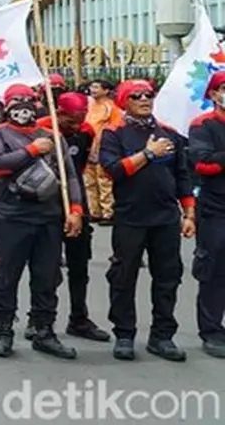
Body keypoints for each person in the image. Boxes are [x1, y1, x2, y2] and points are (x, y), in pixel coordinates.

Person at [0, 84, 84, 360]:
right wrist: (32, 151)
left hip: (49, 217)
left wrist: (75, 210)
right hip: (12, 217)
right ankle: (4, 331)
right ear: (6, 105)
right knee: (5, 276)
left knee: (47, 277)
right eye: (16, 101)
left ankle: (44, 331)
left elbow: (70, 175)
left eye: (28, 101)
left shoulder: (52, 136)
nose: (23, 106)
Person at [99, 79, 194, 361]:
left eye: (148, 95)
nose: (144, 100)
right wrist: (148, 154)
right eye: (137, 95)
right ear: (125, 101)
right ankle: (124, 334)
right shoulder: (114, 133)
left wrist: (189, 213)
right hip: (130, 217)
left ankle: (162, 336)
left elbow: (182, 176)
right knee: (123, 276)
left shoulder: (170, 133)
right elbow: (112, 170)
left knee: (168, 277)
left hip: (165, 218)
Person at [38, 92, 110, 342]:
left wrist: (77, 206)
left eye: (82, 116)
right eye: (73, 117)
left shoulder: (86, 132)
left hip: (76, 202)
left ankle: (79, 317)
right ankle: (39, 318)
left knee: (79, 266)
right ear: (60, 112)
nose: (78, 122)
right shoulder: (42, 130)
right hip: (47, 203)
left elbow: (79, 167)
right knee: (46, 267)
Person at [187, 71, 225, 358]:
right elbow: (204, 166)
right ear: (213, 94)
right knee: (213, 270)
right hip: (216, 209)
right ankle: (211, 330)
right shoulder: (203, 126)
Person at [85, 79, 123, 224]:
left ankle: (108, 212)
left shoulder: (112, 108)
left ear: (106, 90)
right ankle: (94, 211)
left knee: (104, 180)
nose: (92, 89)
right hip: (88, 146)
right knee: (89, 181)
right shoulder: (89, 105)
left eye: (96, 87)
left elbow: (115, 127)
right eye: (91, 86)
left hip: (102, 146)